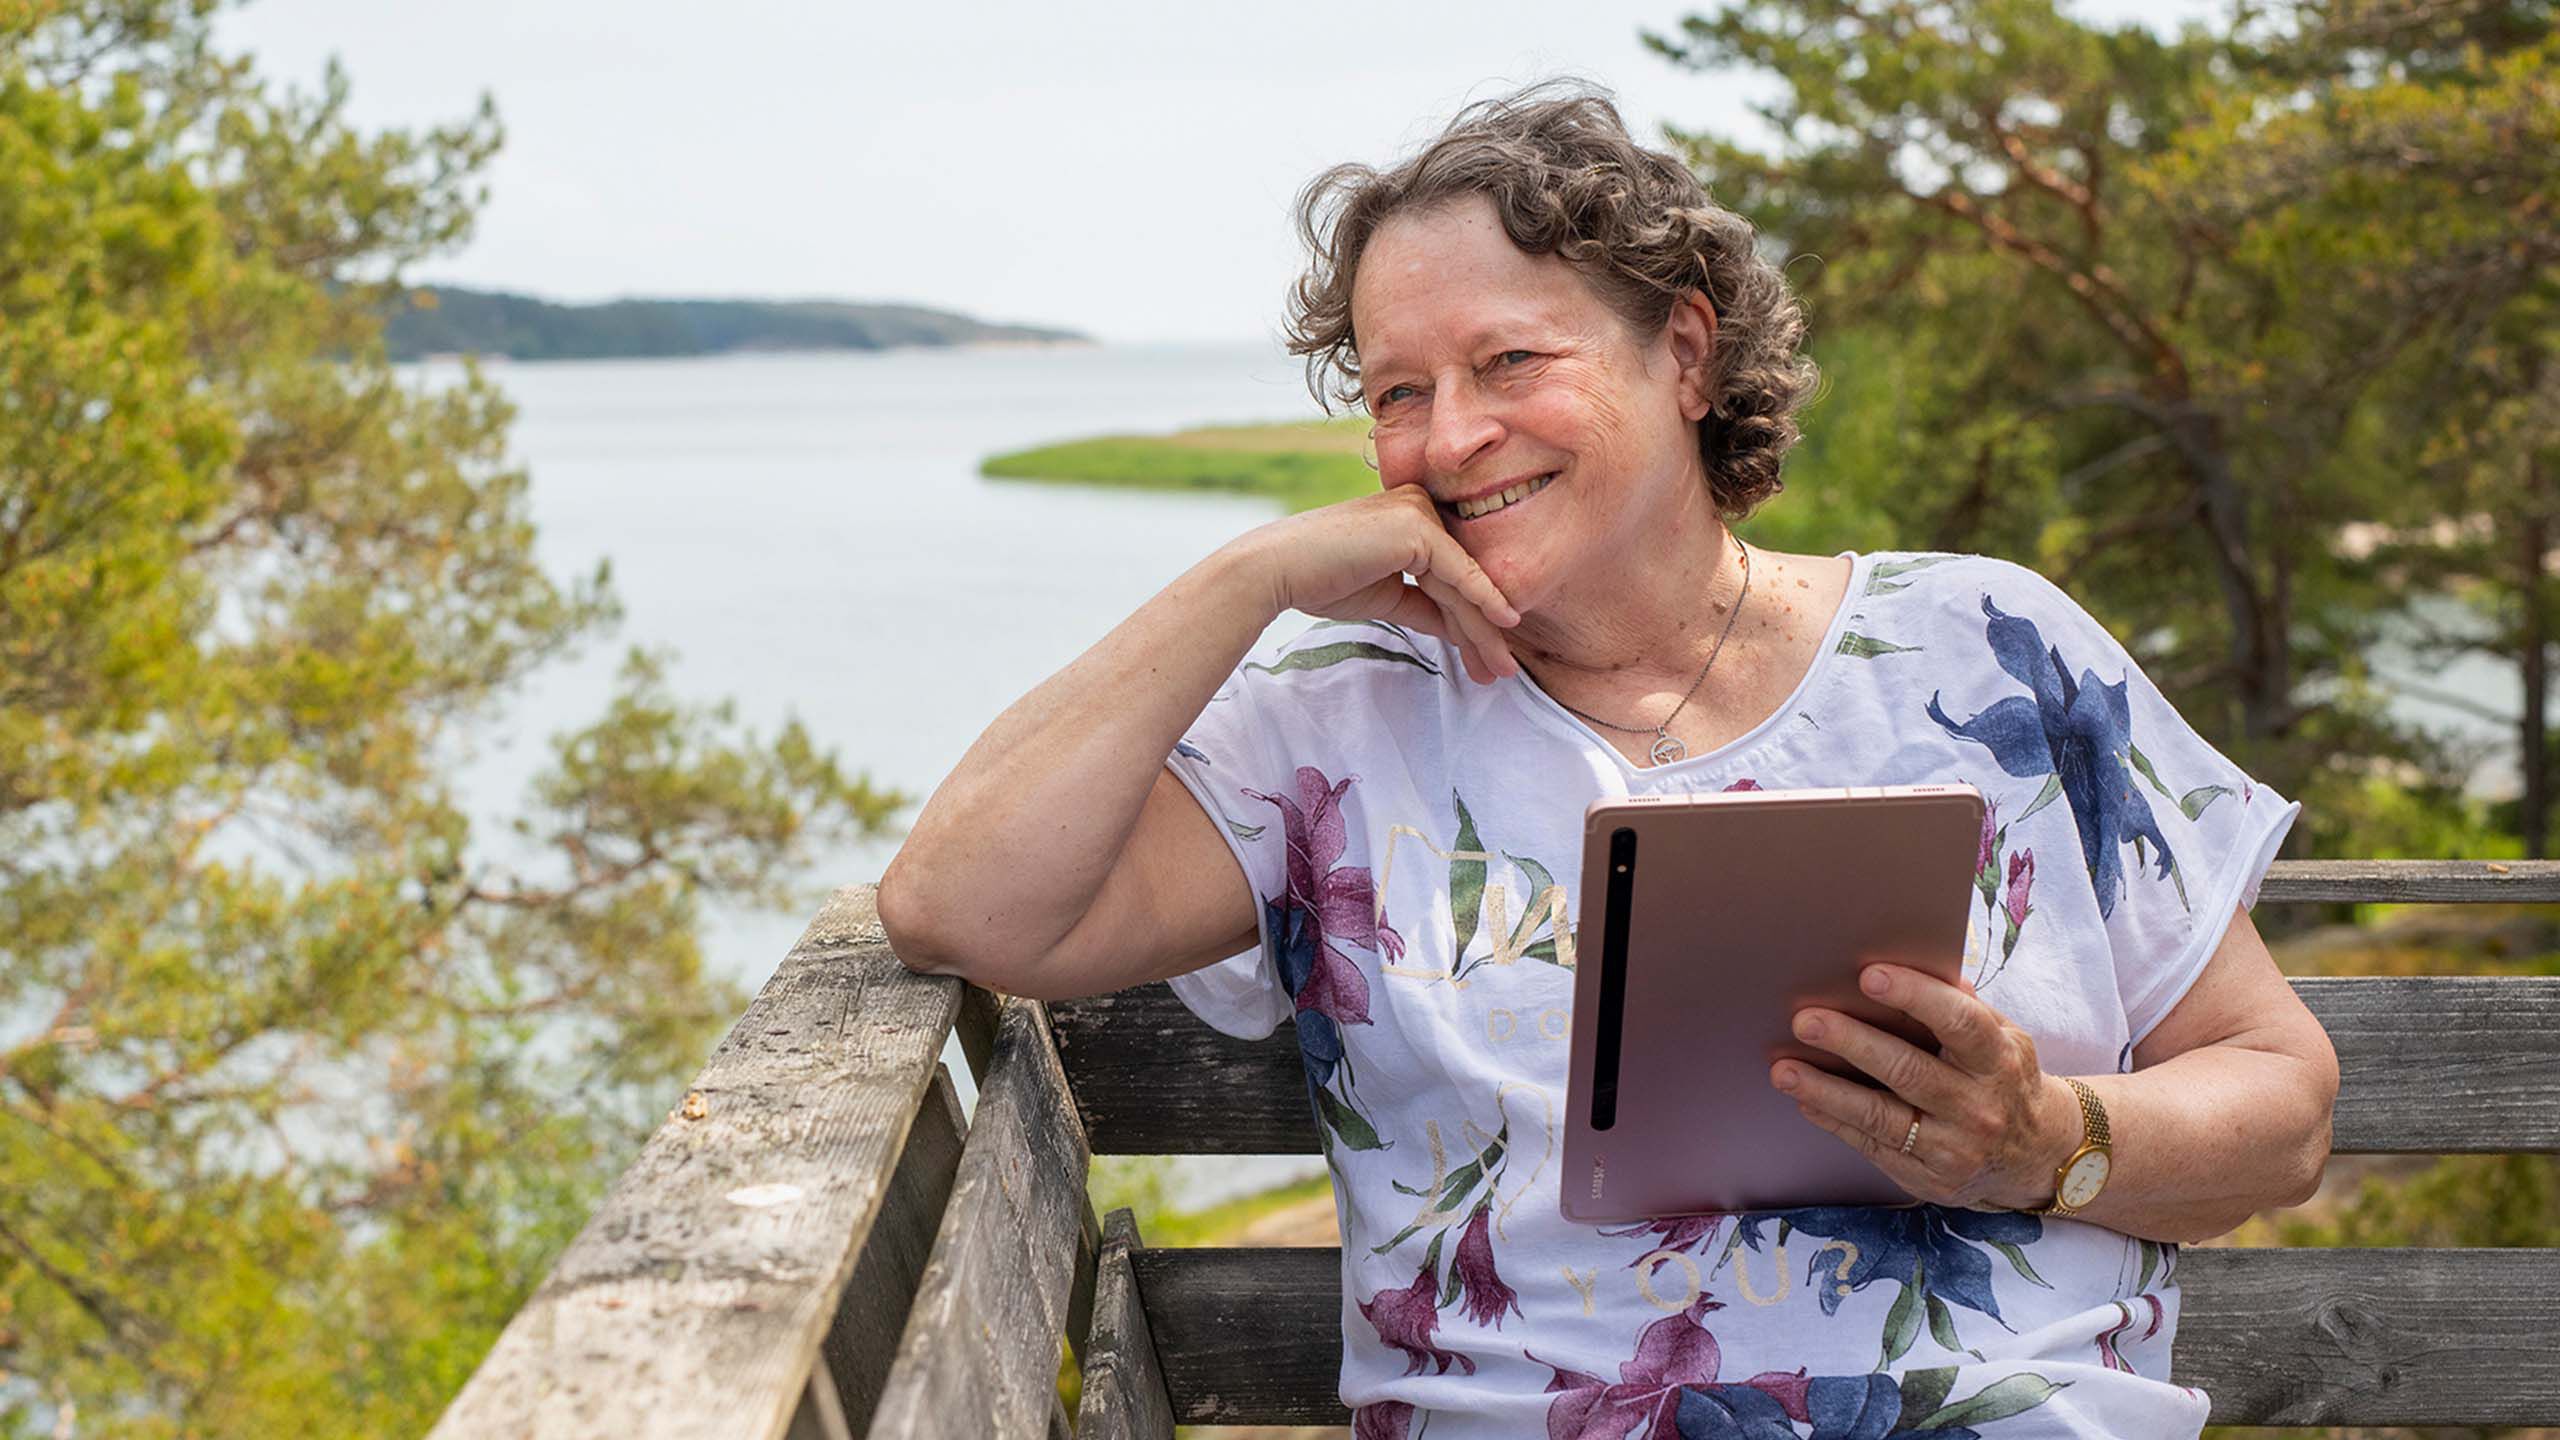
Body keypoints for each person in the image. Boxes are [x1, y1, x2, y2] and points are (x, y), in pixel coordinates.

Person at [879, 79, 2338, 1440]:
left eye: (1508, 361)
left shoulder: (1993, 646)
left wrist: (2043, 1140)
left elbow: (2281, 1105)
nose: (1450, 438)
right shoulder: (1330, 724)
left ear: (1686, 354)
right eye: (1396, 393)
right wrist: (1249, 576)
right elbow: (963, 907)